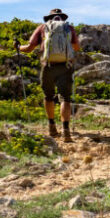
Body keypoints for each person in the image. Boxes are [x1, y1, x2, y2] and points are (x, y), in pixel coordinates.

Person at [17, 8, 80, 142]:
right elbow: (76, 47)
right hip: (65, 66)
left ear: (49, 18)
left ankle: (52, 126)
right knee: (65, 98)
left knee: (48, 96)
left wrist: (18, 47)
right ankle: (66, 130)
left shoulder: (42, 28)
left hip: (48, 66)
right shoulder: (69, 28)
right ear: (62, 18)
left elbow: (29, 48)